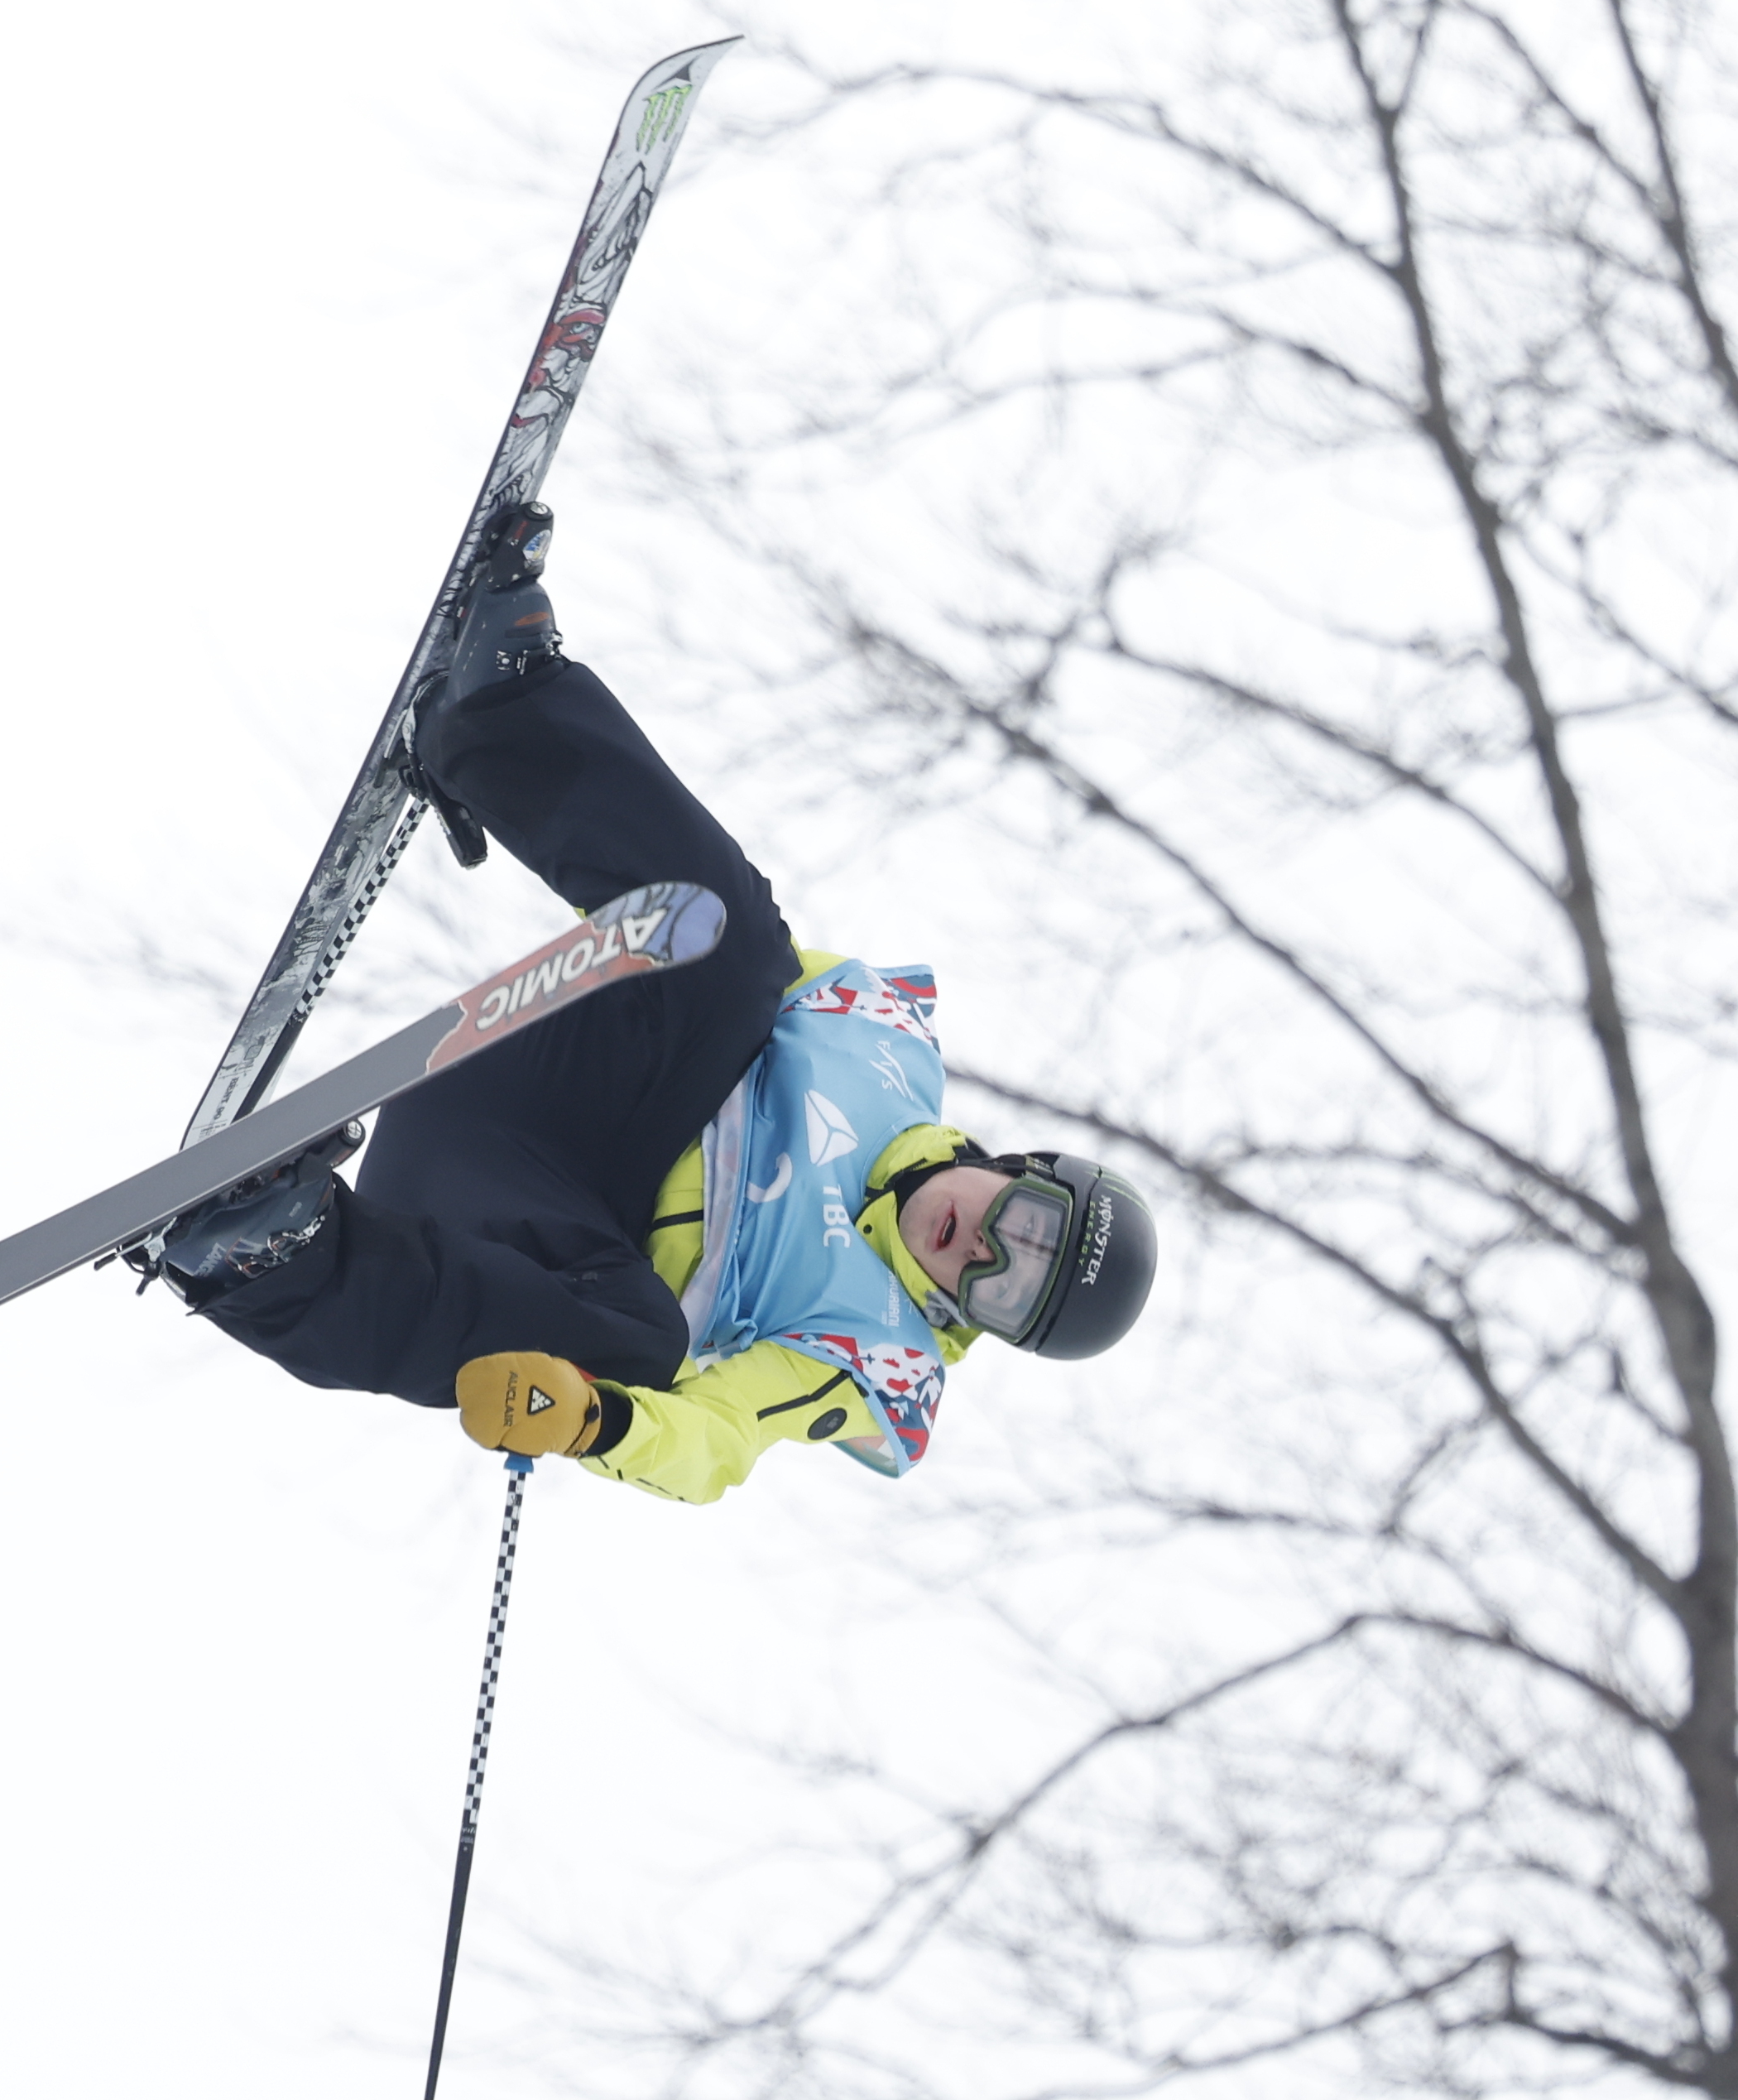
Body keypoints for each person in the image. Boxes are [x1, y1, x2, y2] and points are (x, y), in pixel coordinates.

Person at [162, 505, 1157, 1502]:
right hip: (561, 1075)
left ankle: (272, 1260)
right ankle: (497, 717)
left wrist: (596, 1420)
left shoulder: (873, 1350)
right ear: (1020, 1168)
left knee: (644, 1346)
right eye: (1022, 1226)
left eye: (1006, 1291)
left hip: (515, 1223)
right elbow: (704, 944)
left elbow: (717, 1442)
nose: (980, 1252)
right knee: (736, 947)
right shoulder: (891, 1050)